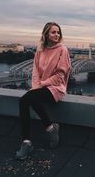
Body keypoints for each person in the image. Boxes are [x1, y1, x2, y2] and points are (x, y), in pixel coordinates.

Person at [15, 22, 71, 160]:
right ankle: (27, 141)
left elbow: (60, 76)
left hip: (55, 88)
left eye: (58, 32)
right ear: (46, 34)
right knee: (24, 100)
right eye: (53, 32)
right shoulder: (40, 50)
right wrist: (36, 86)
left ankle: (48, 129)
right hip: (40, 87)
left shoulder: (62, 50)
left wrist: (42, 85)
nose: (56, 35)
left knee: (28, 99)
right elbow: (35, 72)